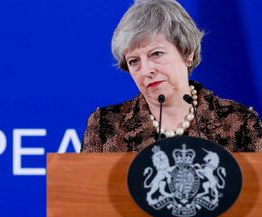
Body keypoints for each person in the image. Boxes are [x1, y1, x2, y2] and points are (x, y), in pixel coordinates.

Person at [81, 0, 262, 152]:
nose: (146, 71)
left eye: (156, 54)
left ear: (187, 53)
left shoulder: (239, 123)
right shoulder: (105, 127)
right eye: (134, 61)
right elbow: (84, 192)